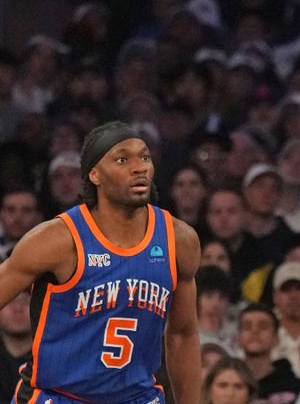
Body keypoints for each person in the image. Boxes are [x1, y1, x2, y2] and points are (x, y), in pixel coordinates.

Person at [0, 121, 201, 403]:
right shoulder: (57, 240)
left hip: (137, 397)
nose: (139, 167)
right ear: (94, 174)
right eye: (122, 159)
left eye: (144, 157)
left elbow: (183, 334)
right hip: (59, 396)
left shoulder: (178, 239)